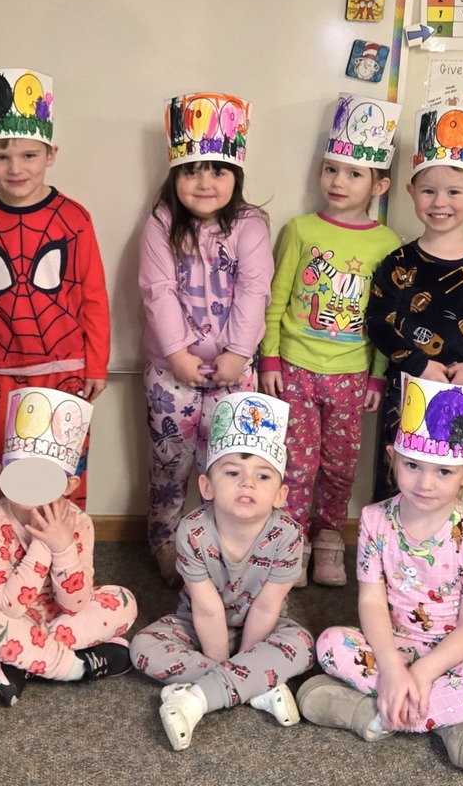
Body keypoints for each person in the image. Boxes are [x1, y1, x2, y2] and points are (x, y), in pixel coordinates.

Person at [298, 375, 463, 773]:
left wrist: (418, 673)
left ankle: (372, 715)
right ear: (392, 458)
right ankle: (445, 722)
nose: (425, 482)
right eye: (412, 465)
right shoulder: (373, 520)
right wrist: (394, 667)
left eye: (443, 472)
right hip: (389, 646)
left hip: (446, 659)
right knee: (330, 643)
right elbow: (369, 600)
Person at [258, 94, 402, 588]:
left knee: (341, 467)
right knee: (296, 465)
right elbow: (276, 301)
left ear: (379, 184)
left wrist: (379, 377)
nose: (339, 182)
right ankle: (291, 542)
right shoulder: (299, 230)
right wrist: (270, 360)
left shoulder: (388, 244)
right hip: (295, 367)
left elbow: (386, 320)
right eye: (331, 169)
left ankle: (327, 540)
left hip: (351, 372)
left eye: (354, 174)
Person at [0, 68, 110, 510]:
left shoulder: (74, 218)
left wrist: (97, 363)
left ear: (51, 154)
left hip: (67, 368)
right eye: (2, 155)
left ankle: (68, 556)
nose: (16, 167)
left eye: (29, 155)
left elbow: (93, 296)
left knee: (63, 474)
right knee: (3, 476)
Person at [130, 392, 315, 751]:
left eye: (263, 476)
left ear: (280, 494)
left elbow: (265, 607)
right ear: (207, 486)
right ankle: (255, 687)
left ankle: (198, 696)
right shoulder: (192, 531)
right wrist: (231, 667)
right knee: (142, 647)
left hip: (264, 627)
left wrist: (245, 656)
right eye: (233, 472)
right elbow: (206, 608)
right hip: (199, 625)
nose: (247, 483)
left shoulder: (289, 535)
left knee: (305, 646)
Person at [140, 92, 274, 586]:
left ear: (236, 176)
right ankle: (164, 540)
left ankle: (227, 546)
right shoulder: (160, 223)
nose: (204, 182)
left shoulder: (250, 225)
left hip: (234, 375)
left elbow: (255, 291)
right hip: (169, 373)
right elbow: (157, 291)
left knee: (233, 467)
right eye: (192, 170)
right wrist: (175, 354)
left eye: (217, 170)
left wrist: (239, 354)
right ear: (174, 175)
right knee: (169, 465)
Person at [366, 105, 463, 502]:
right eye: (428, 190)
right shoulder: (399, 263)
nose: (440, 202)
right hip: (409, 388)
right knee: (401, 474)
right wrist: (418, 364)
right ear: (411, 192)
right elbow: (379, 322)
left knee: (451, 478)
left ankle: (446, 555)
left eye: (454, 191)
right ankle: (388, 554)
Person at [0, 387, 137, 706]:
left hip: (64, 617)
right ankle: (76, 667)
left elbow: (75, 603)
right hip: (13, 617)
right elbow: (9, 606)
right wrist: (44, 545)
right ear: (2, 474)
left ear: (70, 485)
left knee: (124, 601)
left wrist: (64, 548)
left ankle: (22, 660)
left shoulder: (79, 522)